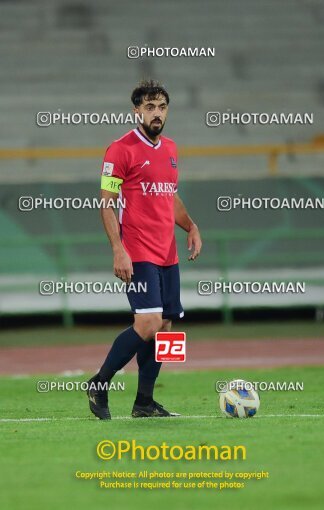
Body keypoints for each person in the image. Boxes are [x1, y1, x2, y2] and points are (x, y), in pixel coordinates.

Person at [87, 79, 202, 419]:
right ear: (136, 110)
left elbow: (171, 196)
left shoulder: (171, 149)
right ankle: (99, 383)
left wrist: (191, 226)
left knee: (166, 329)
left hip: (168, 253)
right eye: (149, 107)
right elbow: (106, 203)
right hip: (137, 251)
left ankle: (144, 403)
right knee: (149, 322)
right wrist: (117, 249)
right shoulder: (119, 149)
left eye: (162, 107)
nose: (156, 113)